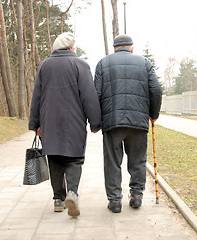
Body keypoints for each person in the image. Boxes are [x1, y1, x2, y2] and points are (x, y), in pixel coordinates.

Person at [28, 32, 101, 217]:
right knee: (74, 159)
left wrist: (35, 123)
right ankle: (72, 193)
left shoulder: (45, 66)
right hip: (74, 122)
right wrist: (95, 122)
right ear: (71, 47)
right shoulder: (80, 65)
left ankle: (58, 199)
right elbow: (89, 96)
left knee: (54, 159)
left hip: (49, 122)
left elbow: (37, 96)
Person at [94, 34, 162, 213]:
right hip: (138, 122)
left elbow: (96, 94)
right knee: (138, 160)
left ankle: (115, 201)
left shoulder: (103, 63)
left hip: (112, 122)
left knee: (112, 163)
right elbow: (156, 89)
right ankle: (136, 196)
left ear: (114, 47)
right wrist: (153, 115)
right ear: (132, 47)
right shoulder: (144, 63)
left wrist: (96, 122)